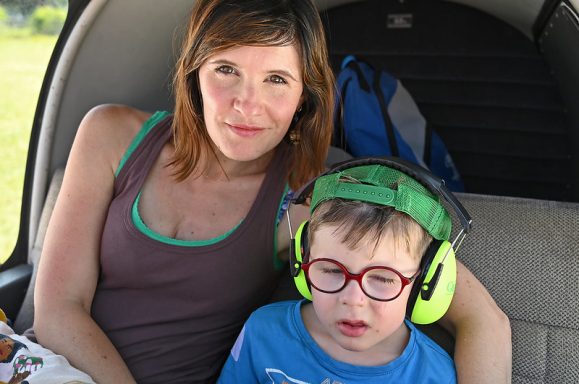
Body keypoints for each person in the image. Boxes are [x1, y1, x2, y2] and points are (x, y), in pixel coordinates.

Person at [31, 0, 511, 383]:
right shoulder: (111, 134)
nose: (246, 104)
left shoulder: (314, 194)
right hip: (45, 365)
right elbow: (56, 311)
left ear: (306, 95)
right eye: (226, 70)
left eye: (276, 80)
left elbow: (483, 320)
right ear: (194, 71)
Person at [217, 160, 460, 383]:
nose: (353, 300)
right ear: (303, 263)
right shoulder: (264, 333)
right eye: (333, 271)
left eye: (383, 278)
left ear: (424, 282)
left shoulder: (434, 376)